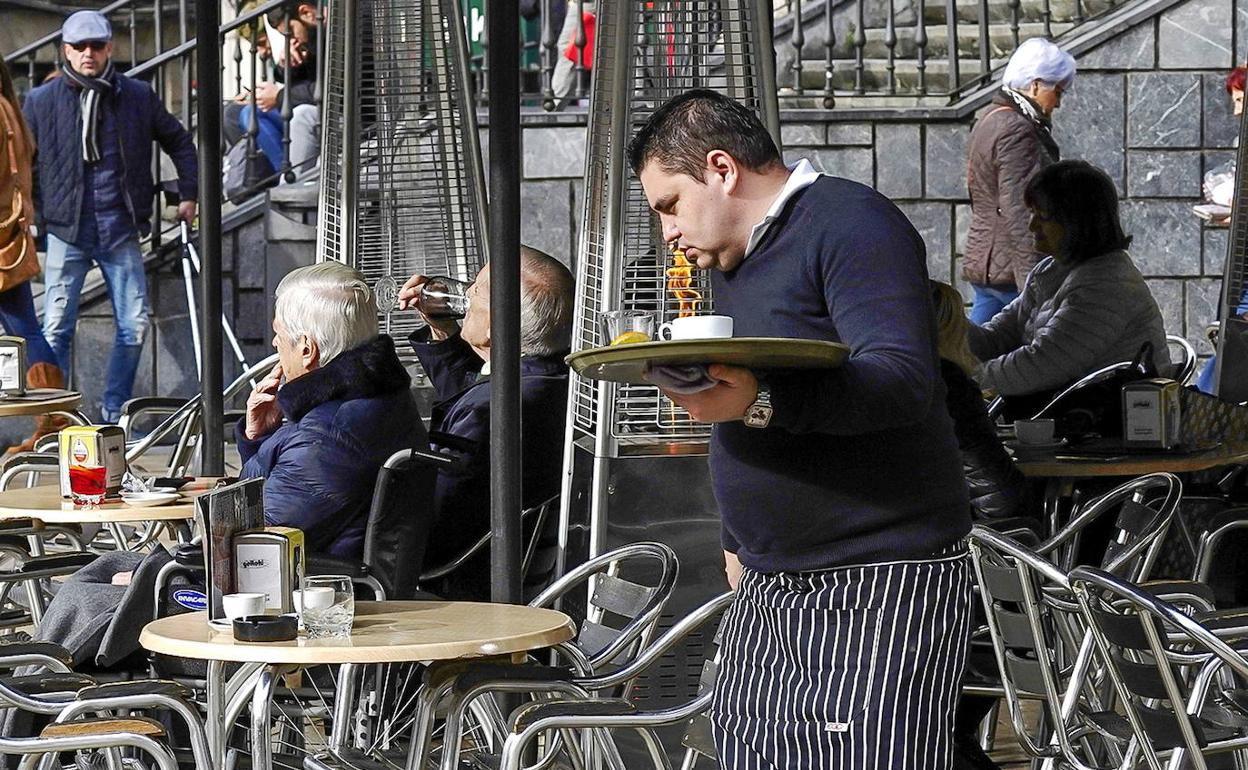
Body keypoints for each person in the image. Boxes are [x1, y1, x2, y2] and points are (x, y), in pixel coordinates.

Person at [629, 89, 972, 768]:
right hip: (767, 581)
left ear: (721, 169)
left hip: (876, 580)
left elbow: (902, 381)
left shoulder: (851, 222)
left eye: (669, 205)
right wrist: (737, 538)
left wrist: (758, 401)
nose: (667, 232)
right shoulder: (735, 258)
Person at [23, 10, 198, 424]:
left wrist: (189, 193)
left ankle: (116, 412)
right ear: (65, 50)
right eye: (79, 46)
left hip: (119, 226)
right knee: (55, 328)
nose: (88, 53)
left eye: (97, 45)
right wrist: (30, 212)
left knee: (133, 324)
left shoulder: (137, 95)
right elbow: (22, 162)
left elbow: (179, 141)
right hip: (67, 228)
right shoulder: (40, 101)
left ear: (109, 48)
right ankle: (56, 417)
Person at [400, 247, 572, 600]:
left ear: (498, 324)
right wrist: (443, 331)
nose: (464, 295)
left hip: (461, 585)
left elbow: (434, 519)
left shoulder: (494, 409)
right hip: (508, 571)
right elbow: (476, 392)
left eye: (476, 290)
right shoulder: (548, 381)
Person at [239, 262, 426, 559]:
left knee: (163, 570)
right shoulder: (382, 396)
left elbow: (253, 546)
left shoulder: (326, 437)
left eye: (279, 332)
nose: (275, 342)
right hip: (323, 571)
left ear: (306, 349)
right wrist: (259, 437)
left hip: (309, 582)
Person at [967, 160, 1170, 403]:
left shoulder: (1107, 284)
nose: (1032, 226)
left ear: (1076, 221)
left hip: (1111, 416)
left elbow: (1041, 365)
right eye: (1032, 213)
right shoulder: (1051, 270)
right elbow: (996, 339)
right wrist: (941, 316)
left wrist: (966, 380)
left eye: (1043, 217)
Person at [963, 38, 1075, 325]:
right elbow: (1022, 210)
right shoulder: (1017, 129)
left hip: (989, 262)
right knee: (1031, 345)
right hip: (1012, 271)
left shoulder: (990, 118)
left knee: (975, 343)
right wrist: (1034, 284)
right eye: (1057, 91)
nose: (1058, 102)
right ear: (1036, 85)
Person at [0, 55, 63, 454]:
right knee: (26, 327)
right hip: (8, 237)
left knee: (25, 328)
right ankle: (55, 418)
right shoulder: (9, 108)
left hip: (3, 238)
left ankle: (55, 418)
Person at [225, 0, 321, 178]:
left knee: (252, 114)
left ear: (307, 13)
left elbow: (322, 90)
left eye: (262, 42)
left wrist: (279, 96)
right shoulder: (304, 39)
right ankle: (258, 175)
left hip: (317, 110)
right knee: (233, 113)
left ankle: (286, 176)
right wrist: (288, 67)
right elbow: (304, 83)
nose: (291, 39)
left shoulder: (321, 33)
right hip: (302, 103)